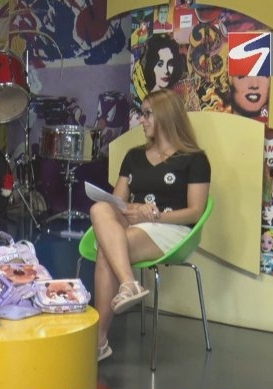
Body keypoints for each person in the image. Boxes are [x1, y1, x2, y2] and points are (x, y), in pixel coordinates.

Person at [90, 89, 210, 362]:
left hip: (171, 229)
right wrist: (137, 210)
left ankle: (99, 342)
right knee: (99, 208)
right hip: (135, 222)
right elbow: (117, 203)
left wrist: (153, 217)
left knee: (107, 250)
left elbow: (195, 212)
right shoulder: (134, 156)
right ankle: (129, 283)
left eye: (147, 114)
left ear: (166, 116)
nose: (141, 120)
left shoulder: (194, 159)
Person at [134, 34, 184, 101]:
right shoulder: (143, 98)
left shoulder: (176, 97)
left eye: (170, 64)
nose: (166, 71)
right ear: (151, 66)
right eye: (160, 64)